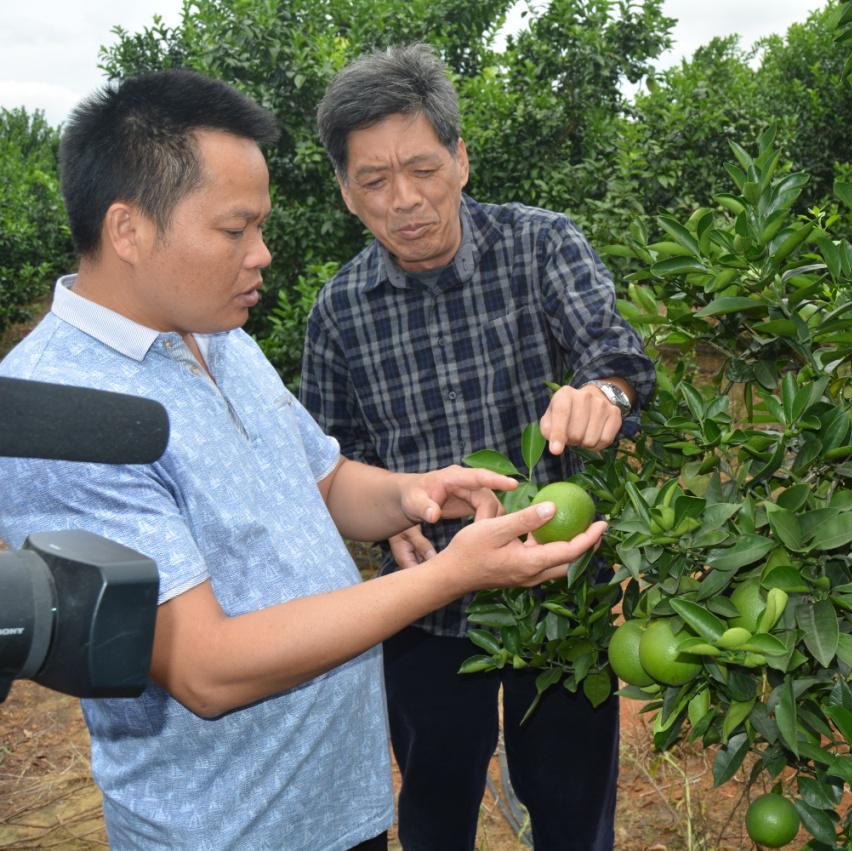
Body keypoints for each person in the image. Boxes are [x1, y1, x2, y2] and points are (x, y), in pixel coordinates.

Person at [0, 69, 605, 851]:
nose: (263, 253)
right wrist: (450, 576)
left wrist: (419, 494)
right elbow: (205, 669)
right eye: (235, 229)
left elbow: (324, 481)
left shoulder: (222, 336)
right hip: (229, 828)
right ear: (129, 230)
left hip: (337, 805)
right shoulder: (58, 407)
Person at [301, 43, 656, 851]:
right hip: (427, 608)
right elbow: (330, 459)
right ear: (346, 194)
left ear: (461, 160)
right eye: (374, 181)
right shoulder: (339, 312)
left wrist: (601, 395)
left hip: (558, 595)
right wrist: (383, 514)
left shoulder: (541, 247)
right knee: (434, 806)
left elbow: (618, 355)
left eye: (423, 168)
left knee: (571, 815)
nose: (405, 200)